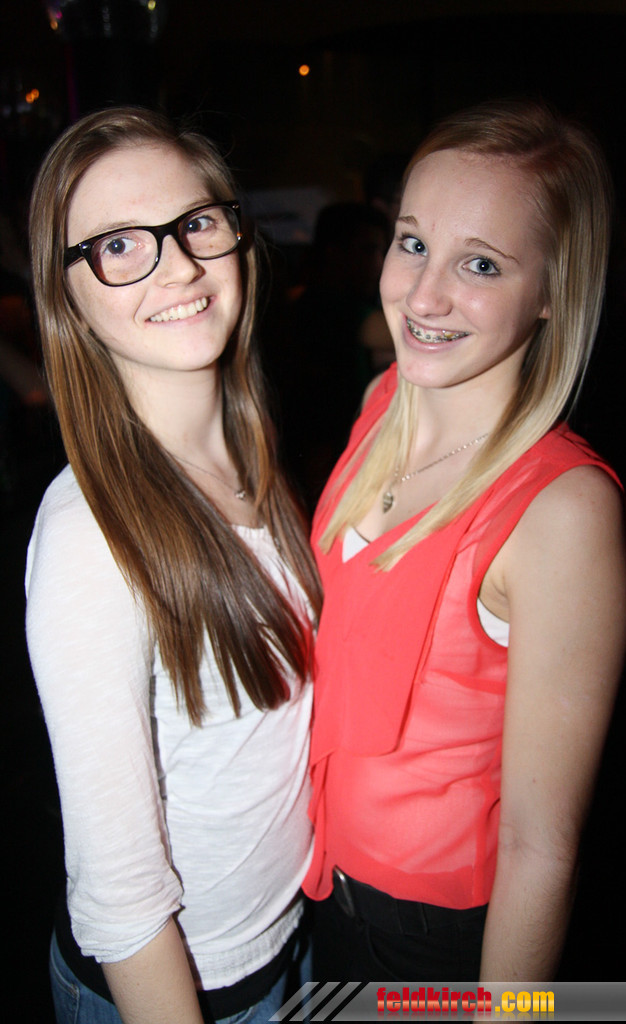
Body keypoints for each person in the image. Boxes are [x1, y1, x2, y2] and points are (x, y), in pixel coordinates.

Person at [303, 99, 626, 982]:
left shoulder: (558, 510)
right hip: (315, 896)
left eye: (479, 263)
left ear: (554, 290)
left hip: (430, 948)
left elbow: (540, 847)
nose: (423, 295)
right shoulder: (382, 405)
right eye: (412, 242)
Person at [25, 107, 321, 1024]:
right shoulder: (90, 536)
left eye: (195, 223)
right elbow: (120, 902)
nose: (179, 266)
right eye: (118, 244)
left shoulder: (254, 457)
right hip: (184, 993)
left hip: (290, 944)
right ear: (67, 297)